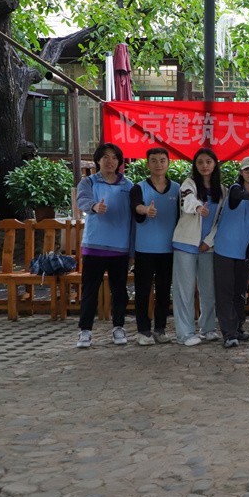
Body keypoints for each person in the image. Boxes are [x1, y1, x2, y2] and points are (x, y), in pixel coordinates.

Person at [75, 142, 134, 348]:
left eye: (114, 157)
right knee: (90, 290)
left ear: (119, 161)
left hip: (120, 248)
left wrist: (132, 251)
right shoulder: (88, 182)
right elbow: (82, 201)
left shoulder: (128, 186)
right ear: (98, 160)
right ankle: (85, 331)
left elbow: (133, 219)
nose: (110, 161)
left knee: (120, 291)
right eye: (105, 157)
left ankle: (119, 327)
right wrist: (94, 206)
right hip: (94, 246)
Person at [172, 147, 224, 346]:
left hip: (207, 247)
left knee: (209, 290)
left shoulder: (222, 190)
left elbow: (221, 220)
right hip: (185, 243)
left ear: (215, 164)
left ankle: (207, 328)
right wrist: (198, 207)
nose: (204, 166)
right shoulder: (189, 184)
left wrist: (208, 241)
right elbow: (187, 200)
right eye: (200, 162)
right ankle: (185, 334)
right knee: (184, 291)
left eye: (208, 162)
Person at [129, 147, 180, 346]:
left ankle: (160, 329)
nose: (158, 164)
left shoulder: (177, 189)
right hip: (145, 250)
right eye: (154, 160)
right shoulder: (139, 188)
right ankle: (143, 330)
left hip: (168, 249)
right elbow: (136, 205)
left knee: (164, 290)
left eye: (162, 160)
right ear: (147, 163)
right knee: (142, 291)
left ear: (168, 163)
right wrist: (145, 210)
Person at [213, 156, 249, 348]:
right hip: (225, 248)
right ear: (241, 172)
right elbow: (239, 196)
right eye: (247, 169)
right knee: (225, 292)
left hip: (244, 251)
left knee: (240, 291)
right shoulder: (235, 189)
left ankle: (238, 327)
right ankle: (228, 333)